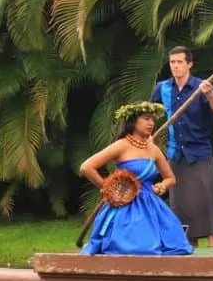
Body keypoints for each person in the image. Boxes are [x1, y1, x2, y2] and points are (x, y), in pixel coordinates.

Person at [79, 102, 193, 256]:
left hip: (150, 204)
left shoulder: (153, 149)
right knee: (137, 248)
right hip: (125, 204)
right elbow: (86, 167)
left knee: (176, 245)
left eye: (153, 120)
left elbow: (170, 178)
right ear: (133, 121)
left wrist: (161, 186)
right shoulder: (121, 145)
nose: (151, 123)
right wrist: (109, 188)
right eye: (146, 119)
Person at [149, 46, 213, 247]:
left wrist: (210, 94)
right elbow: (149, 114)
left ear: (189, 64)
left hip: (200, 152)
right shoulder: (163, 88)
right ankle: (188, 250)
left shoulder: (201, 87)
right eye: (172, 62)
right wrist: (148, 138)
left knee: (207, 202)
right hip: (176, 153)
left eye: (179, 62)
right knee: (180, 206)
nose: (175, 66)